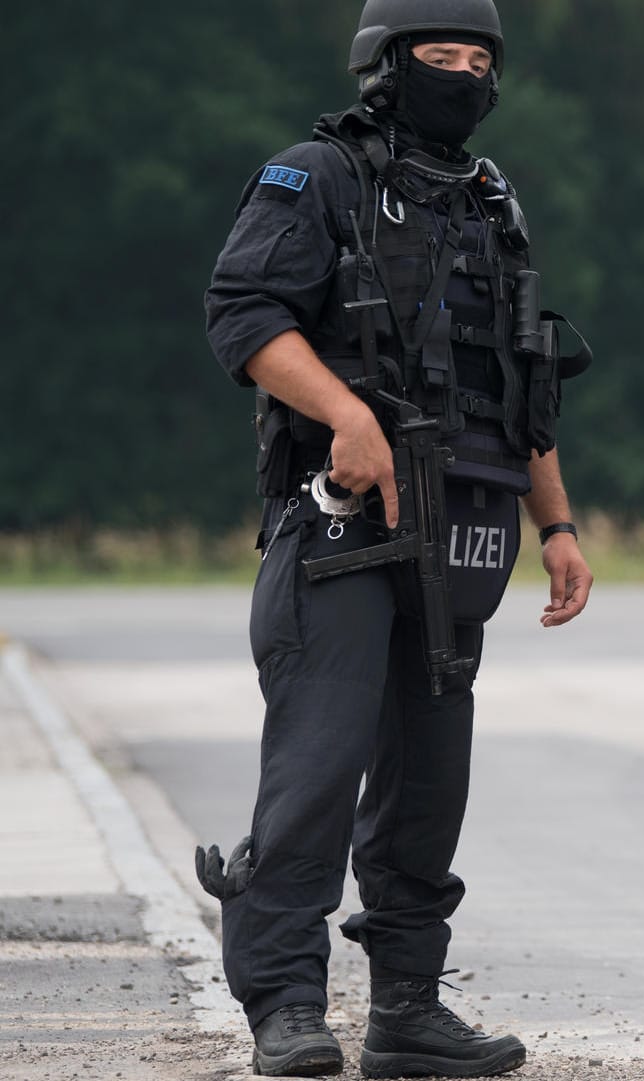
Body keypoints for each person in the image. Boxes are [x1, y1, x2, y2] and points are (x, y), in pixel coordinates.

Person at [197, 1, 592, 1075]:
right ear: (385, 63)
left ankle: (408, 1009)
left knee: (429, 782)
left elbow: (522, 382)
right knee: (319, 771)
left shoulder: (491, 203)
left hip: (462, 531)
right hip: (340, 527)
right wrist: (348, 415)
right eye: (441, 55)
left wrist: (554, 520)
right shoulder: (315, 177)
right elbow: (243, 316)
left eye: (481, 59)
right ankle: (285, 1003)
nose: (464, 75)